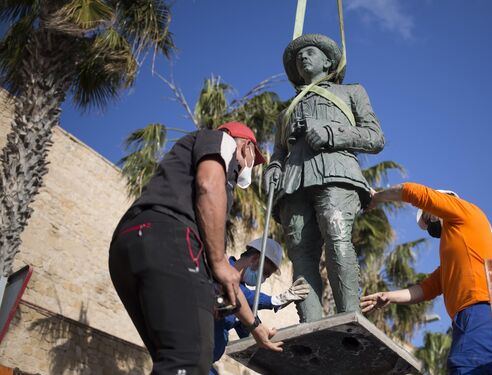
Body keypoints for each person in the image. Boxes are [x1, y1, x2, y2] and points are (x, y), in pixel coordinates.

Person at [109, 122, 283, 375]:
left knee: (176, 359)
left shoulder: (199, 224)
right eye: (251, 159)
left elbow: (228, 288)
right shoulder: (222, 141)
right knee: (189, 361)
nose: (247, 167)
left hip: (129, 246)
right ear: (246, 145)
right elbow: (208, 184)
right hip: (169, 238)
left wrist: (256, 327)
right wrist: (219, 260)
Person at [263, 34, 384, 322]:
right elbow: (279, 152)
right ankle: (310, 322)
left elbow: (375, 137)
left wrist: (331, 133)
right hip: (293, 183)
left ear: (328, 61)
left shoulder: (352, 92)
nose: (302, 57)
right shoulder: (286, 113)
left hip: (336, 173)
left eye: (310, 52)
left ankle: (348, 316)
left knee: (337, 237)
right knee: (300, 252)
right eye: (298, 56)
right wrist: (272, 169)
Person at [361, 183, 492, 375]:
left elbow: (415, 192)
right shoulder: (457, 248)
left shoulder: (464, 212)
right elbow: (426, 289)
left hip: (480, 309)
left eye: (428, 216)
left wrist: (378, 197)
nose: (428, 222)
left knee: (467, 368)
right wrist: (388, 296)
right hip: (472, 314)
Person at [209, 238, 310, 375]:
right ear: (255, 259)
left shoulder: (245, 305)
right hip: (188, 352)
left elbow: (251, 329)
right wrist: (275, 300)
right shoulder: (218, 271)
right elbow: (238, 293)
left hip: (206, 361)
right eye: (266, 273)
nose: (263, 279)